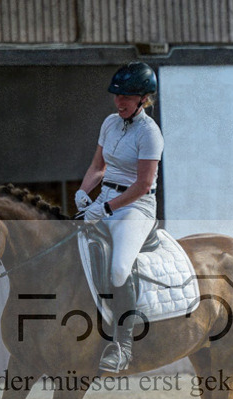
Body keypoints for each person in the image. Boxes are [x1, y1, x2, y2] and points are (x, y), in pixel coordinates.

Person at [76, 62, 164, 373]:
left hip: (134, 208)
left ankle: (123, 343)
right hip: (104, 199)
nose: (119, 102)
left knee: (118, 269)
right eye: (117, 96)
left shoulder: (150, 134)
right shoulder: (110, 123)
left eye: (126, 97)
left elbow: (142, 184)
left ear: (143, 98)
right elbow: (98, 166)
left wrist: (109, 207)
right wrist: (84, 193)